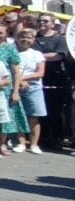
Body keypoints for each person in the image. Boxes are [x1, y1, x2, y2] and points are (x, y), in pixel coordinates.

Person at [0, 21, 28, 154]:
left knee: (4, 117)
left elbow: (16, 72)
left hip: (5, 88)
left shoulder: (10, 48)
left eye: (0, 33)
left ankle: (2, 144)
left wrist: (15, 91)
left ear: (6, 34)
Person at [34, 12, 70, 148]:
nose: (42, 23)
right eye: (40, 21)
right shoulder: (34, 38)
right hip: (38, 80)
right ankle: (42, 138)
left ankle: (57, 138)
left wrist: (37, 56)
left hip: (56, 79)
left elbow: (58, 56)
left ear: (53, 24)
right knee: (41, 111)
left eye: (45, 21)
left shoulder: (60, 39)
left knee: (56, 111)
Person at [15, 28, 46, 153]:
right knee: (19, 116)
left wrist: (21, 78)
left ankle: (34, 145)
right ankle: (21, 143)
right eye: (22, 37)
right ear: (17, 39)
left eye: (28, 37)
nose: (25, 40)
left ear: (33, 40)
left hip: (34, 88)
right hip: (16, 88)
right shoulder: (13, 53)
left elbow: (40, 73)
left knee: (34, 117)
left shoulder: (37, 54)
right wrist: (18, 81)